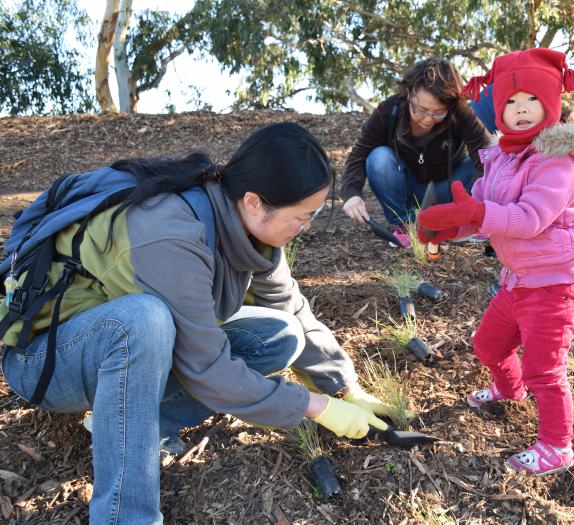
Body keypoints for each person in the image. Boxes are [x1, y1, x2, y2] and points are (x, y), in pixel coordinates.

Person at [0, 122, 404, 524]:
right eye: (302, 216)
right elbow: (206, 368)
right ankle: (126, 517)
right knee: (143, 322)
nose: (307, 226)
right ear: (254, 202)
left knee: (280, 335)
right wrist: (313, 406)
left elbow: (291, 307)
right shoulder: (169, 233)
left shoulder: (251, 234)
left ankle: (131, 426)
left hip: (112, 355)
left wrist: (345, 388)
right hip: (47, 360)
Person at [417, 49, 574, 476]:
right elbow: (484, 208)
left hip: (554, 287)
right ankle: (509, 389)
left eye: (531, 101)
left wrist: (477, 215)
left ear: (551, 103)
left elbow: (530, 219)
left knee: (546, 368)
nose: (520, 110)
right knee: (488, 344)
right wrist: (454, 227)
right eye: (510, 103)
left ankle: (558, 446)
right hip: (516, 281)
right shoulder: (503, 157)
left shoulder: (560, 161)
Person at [340, 58, 491, 248]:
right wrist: (352, 193)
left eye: (438, 113)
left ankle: (463, 222)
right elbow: (360, 153)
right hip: (405, 188)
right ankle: (406, 225)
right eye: (420, 110)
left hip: (448, 189)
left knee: (484, 162)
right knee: (379, 158)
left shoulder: (461, 113)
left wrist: (480, 208)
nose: (428, 120)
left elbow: (485, 157)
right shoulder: (389, 110)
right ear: (409, 93)